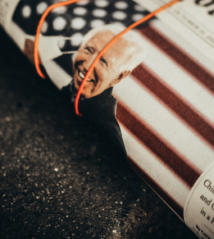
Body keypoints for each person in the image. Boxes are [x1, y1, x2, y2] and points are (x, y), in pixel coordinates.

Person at [58, 24, 147, 155]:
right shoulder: (63, 90)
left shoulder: (108, 139)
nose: (88, 65)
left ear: (119, 77)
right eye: (88, 50)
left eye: (104, 62)